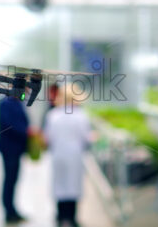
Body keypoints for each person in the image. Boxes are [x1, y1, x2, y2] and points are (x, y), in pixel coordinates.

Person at [44, 83, 92, 227]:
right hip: (75, 155)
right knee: (73, 185)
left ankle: (61, 217)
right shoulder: (81, 116)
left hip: (58, 154)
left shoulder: (53, 115)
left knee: (60, 184)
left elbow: (48, 137)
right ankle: (71, 218)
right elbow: (86, 137)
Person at [0, 95, 29, 223]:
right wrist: (26, 132)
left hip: (16, 149)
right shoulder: (7, 103)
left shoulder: (16, 102)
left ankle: (12, 210)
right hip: (9, 149)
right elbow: (9, 125)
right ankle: (9, 211)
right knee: (9, 180)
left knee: (13, 179)